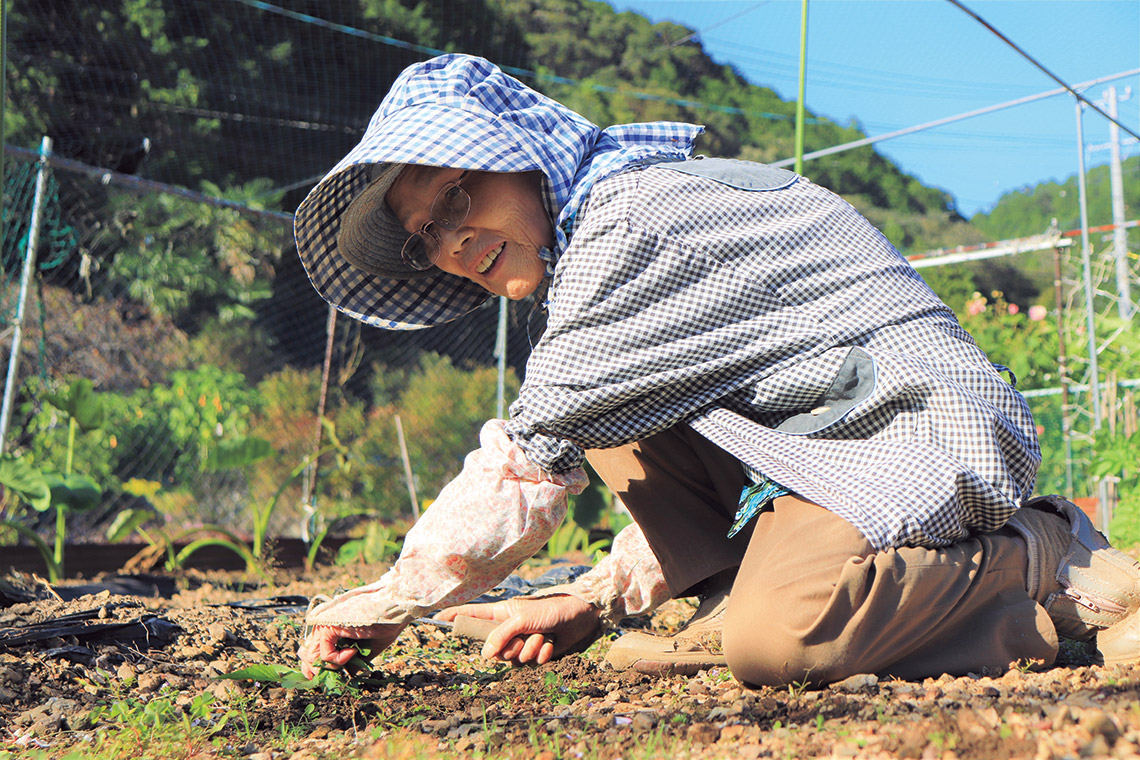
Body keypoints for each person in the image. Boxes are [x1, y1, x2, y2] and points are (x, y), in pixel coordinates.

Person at [293, 54, 1140, 686]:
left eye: (454, 198)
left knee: (784, 641)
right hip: (822, 443)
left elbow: (523, 463)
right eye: (423, 238)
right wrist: (593, 599)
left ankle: (1032, 555)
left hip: (913, 426)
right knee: (610, 423)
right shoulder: (601, 232)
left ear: (521, 154)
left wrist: (386, 602)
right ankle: (734, 592)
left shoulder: (631, 227)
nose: (449, 243)